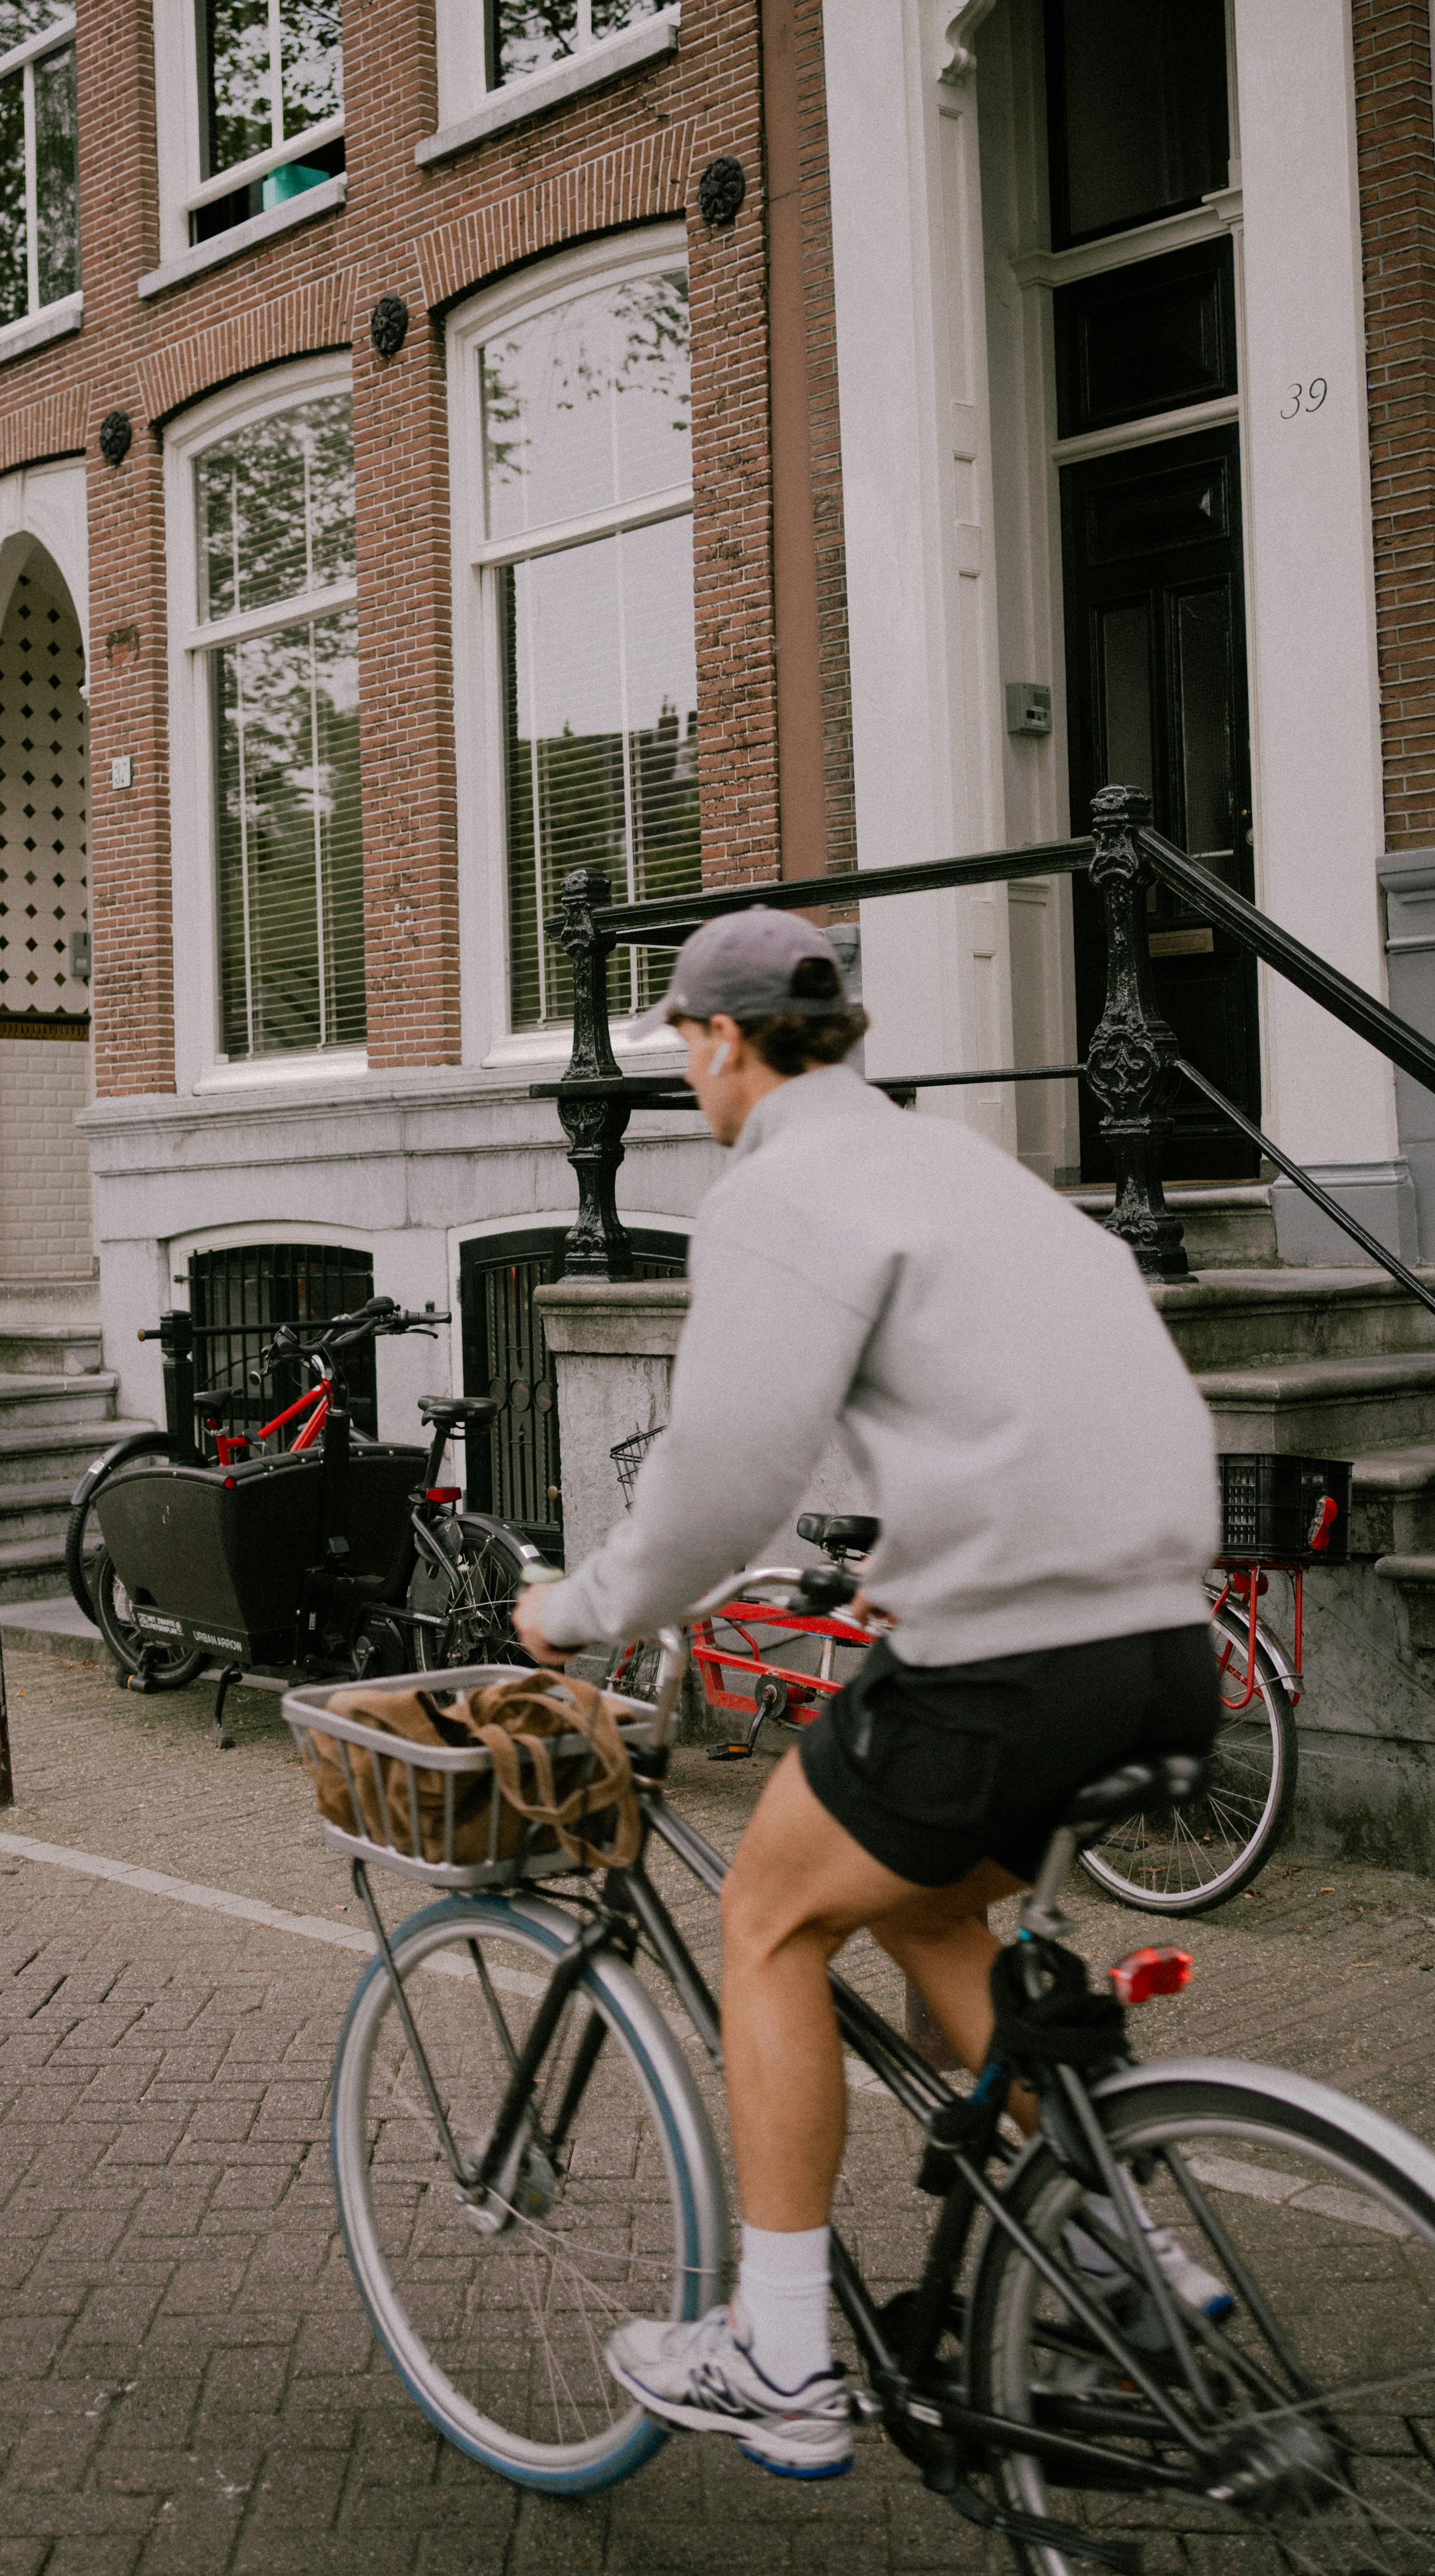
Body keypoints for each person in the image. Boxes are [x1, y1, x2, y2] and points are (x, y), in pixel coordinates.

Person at [509, 908, 1223, 2481]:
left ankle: (779, 2357)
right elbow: (1066, 1382)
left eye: (685, 1046)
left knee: (768, 1915)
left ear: (721, 1040)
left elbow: (724, 1481)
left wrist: (582, 1608)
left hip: (1011, 1662)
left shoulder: (781, 1191)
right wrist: (924, 1548)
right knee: (927, 1901)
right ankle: (1126, 2244)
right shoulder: (963, 1165)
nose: (687, 1073)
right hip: (1166, 1644)